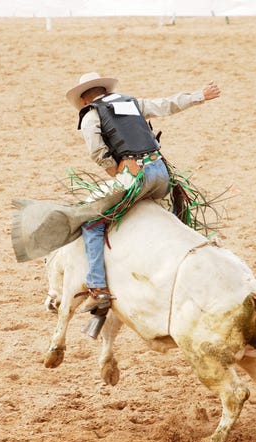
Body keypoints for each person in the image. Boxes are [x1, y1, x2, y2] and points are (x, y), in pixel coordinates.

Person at [65, 72, 221, 314]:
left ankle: (98, 288)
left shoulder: (91, 115)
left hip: (136, 177)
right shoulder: (131, 103)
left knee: (93, 224)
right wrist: (200, 96)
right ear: (105, 92)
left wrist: (117, 172)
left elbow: (97, 152)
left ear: (85, 100)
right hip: (161, 173)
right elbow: (167, 105)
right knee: (175, 214)